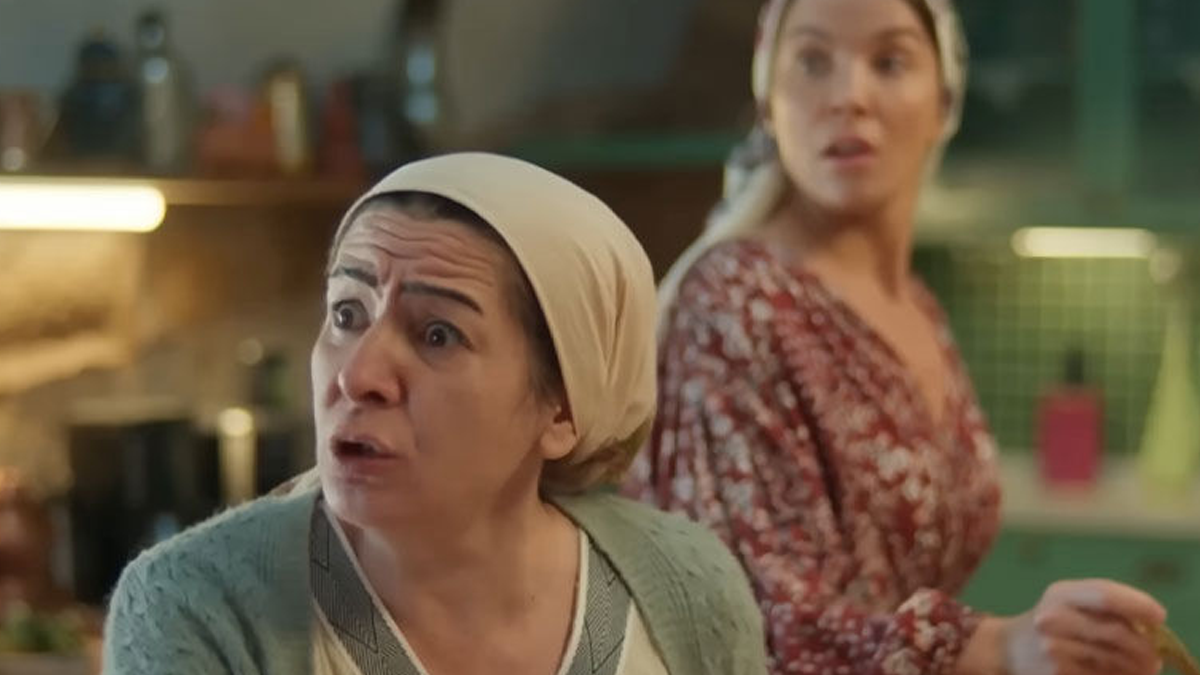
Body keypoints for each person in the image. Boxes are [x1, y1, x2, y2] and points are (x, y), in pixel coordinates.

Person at [626, 1, 1167, 674]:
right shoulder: (734, 301)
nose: (849, 97)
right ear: (768, 102)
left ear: (945, 101)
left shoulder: (917, 305)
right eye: (813, 61)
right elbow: (743, 623)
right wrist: (997, 646)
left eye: (889, 61)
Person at [102, 153, 767, 675]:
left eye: (437, 334)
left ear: (563, 407)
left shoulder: (686, 592)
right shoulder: (195, 605)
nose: (358, 375)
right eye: (347, 314)